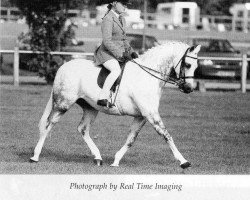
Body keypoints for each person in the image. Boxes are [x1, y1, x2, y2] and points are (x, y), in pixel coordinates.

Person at [94, 0, 138, 107]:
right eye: (123, 4)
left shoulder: (122, 18)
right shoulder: (108, 19)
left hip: (120, 53)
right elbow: (107, 41)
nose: (125, 7)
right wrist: (120, 54)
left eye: (126, 5)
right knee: (115, 70)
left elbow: (124, 40)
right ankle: (102, 97)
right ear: (114, 3)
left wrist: (132, 52)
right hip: (106, 53)